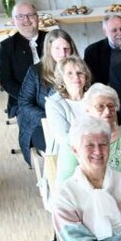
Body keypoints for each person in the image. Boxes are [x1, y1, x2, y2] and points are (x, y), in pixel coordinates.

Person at [57, 83, 121, 192]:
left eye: (111, 105)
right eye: (100, 106)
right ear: (87, 110)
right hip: (88, 203)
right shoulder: (74, 140)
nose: (107, 111)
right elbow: (65, 181)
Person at [18, 28, 76, 160]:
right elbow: (24, 103)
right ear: (49, 49)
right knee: (64, 150)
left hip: (74, 120)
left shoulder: (79, 68)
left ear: (72, 49)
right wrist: (49, 118)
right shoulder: (35, 71)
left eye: (66, 48)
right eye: (57, 49)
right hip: (43, 123)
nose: (63, 53)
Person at [0, 2, 46, 122]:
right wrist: (28, 97)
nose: (26, 20)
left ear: (37, 17)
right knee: (35, 129)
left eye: (30, 15)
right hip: (23, 99)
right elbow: (6, 80)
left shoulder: (53, 39)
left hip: (54, 95)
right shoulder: (6, 46)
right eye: (20, 16)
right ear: (13, 21)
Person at [45, 56, 92, 156]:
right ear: (62, 79)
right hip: (69, 154)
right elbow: (64, 138)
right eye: (69, 73)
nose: (76, 77)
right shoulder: (54, 103)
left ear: (86, 76)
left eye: (80, 73)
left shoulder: (95, 97)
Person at [83, 14, 121, 86]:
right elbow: (90, 81)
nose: (120, 33)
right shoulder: (92, 52)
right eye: (114, 30)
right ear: (105, 32)